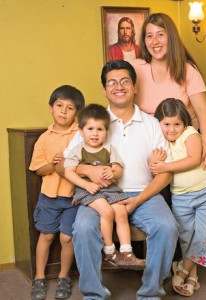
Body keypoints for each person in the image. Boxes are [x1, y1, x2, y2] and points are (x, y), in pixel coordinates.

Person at [59, 60, 179, 300]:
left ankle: (150, 293)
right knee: (82, 228)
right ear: (105, 89)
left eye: (125, 81)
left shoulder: (152, 124)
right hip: (99, 195)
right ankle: (93, 294)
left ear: (134, 87)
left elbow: (166, 171)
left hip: (143, 194)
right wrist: (88, 171)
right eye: (112, 82)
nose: (119, 86)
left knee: (167, 227)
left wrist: (139, 200)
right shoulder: (93, 122)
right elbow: (62, 165)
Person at [150, 98, 206, 297]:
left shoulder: (190, 134)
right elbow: (156, 169)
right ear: (159, 124)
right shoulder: (161, 142)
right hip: (180, 198)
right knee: (186, 240)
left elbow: (194, 159)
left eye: (177, 124)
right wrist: (156, 164)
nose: (172, 129)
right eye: (166, 124)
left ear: (184, 123)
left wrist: (165, 166)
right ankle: (192, 276)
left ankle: (181, 269)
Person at [63, 103, 145, 269]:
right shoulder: (78, 150)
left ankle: (126, 252)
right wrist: (86, 184)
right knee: (107, 212)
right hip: (88, 191)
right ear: (81, 131)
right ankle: (109, 252)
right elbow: (69, 172)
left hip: (109, 188)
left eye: (100, 129)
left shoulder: (108, 148)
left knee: (121, 212)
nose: (95, 134)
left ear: (106, 132)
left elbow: (118, 167)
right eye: (90, 129)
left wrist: (113, 173)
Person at [131, 13, 206, 169]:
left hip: (184, 149)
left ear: (171, 38)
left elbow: (203, 110)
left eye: (160, 35)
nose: (155, 42)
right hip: (151, 148)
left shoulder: (187, 70)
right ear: (144, 41)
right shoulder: (135, 68)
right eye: (149, 36)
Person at [29, 85, 85, 300]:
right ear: (51, 108)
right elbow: (38, 169)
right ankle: (39, 277)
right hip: (49, 197)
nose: (63, 111)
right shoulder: (44, 138)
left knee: (66, 238)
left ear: (76, 112)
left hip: (72, 198)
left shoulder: (80, 134)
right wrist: (53, 165)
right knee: (46, 235)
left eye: (69, 108)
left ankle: (64, 277)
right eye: (59, 106)